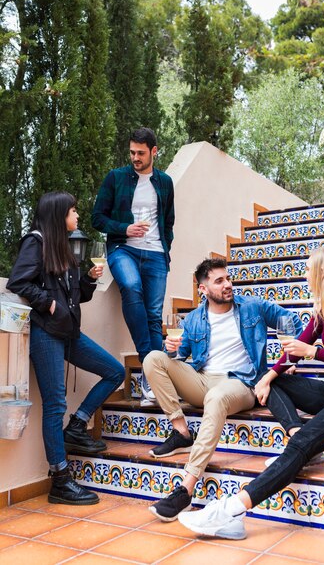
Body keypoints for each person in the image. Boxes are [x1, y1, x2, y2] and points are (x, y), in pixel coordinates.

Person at [177, 245, 324, 540]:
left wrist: (314, 351)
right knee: (268, 379)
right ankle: (299, 437)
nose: (305, 274)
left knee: (301, 444)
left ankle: (232, 511)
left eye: (309, 269)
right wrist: (268, 377)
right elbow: (296, 348)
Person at [145, 257, 303, 522]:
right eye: (219, 281)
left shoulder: (252, 306)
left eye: (228, 278)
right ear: (203, 289)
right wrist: (171, 349)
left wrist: (290, 357)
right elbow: (180, 357)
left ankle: (186, 488)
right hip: (204, 380)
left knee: (216, 398)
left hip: (241, 382)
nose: (227, 284)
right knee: (153, 358)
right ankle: (182, 431)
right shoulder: (193, 319)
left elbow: (292, 321)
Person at [7, 192, 125, 506]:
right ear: (60, 214)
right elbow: (18, 282)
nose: (77, 215)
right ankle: (59, 479)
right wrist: (49, 304)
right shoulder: (36, 242)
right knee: (55, 405)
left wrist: (87, 279)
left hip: (70, 333)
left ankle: (77, 426)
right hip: (46, 335)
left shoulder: (65, 249)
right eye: (73, 210)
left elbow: (78, 297)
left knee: (114, 371)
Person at [91, 127, 174, 404]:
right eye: (131, 152)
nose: (135, 158)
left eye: (140, 153)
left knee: (153, 316)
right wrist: (125, 229)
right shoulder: (116, 178)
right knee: (131, 286)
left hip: (156, 254)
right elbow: (97, 218)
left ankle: (152, 381)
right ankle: (149, 368)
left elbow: (169, 222)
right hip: (122, 248)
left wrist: (165, 248)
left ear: (154, 151)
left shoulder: (165, 182)